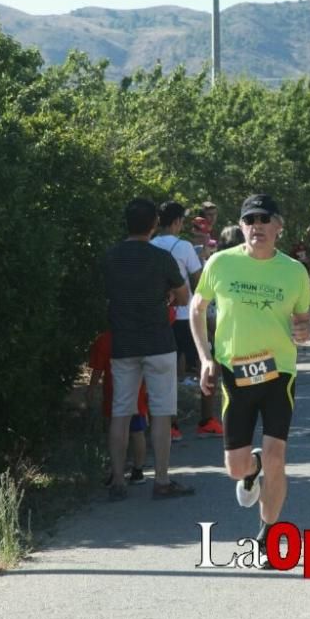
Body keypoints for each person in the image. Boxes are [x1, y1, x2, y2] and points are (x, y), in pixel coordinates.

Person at [189, 193, 310, 569]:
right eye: (249, 219)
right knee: (236, 469)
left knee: (278, 457)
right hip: (234, 373)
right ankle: (252, 469)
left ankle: (268, 536)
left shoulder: (294, 271)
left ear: (278, 226)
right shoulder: (221, 263)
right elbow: (197, 307)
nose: (256, 225)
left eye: (264, 218)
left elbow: (303, 321)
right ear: (241, 226)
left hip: (279, 373)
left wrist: (305, 331)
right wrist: (205, 358)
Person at [102, 198, 194, 501]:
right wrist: (166, 296)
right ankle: (162, 480)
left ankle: (118, 480)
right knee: (162, 413)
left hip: (123, 343)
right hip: (158, 342)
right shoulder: (160, 258)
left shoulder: (110, 257)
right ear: (154, 224)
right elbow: (183, 297)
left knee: (121, 413)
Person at [151, 202, 224, 440]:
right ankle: (207, 420)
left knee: (168, 371)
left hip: (162, 316)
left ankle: (171, 426)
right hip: (186, 316)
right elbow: (199, 280)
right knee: (208, 364)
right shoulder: (182, 246)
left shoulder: (150, 245)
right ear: (176, 222)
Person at [87, 330, 149, 487]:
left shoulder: (105, 339)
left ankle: (117, 473)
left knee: (116, 431)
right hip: (137, 393)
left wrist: (91, 389)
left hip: (114, 394)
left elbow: (98, 369)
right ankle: (138, 470)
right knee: (137, 432)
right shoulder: (140, 337)